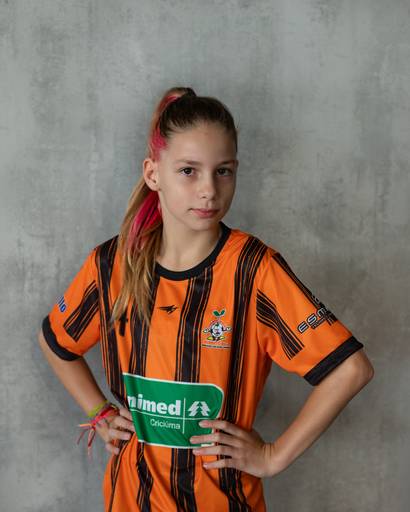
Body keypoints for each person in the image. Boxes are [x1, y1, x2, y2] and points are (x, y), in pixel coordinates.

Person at [38, 86, 374, 512]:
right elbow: (56, 342)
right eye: (188, 171)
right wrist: (99, 412)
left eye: (223, 171)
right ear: (153, 174)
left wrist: (272, 457)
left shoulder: (254, 270)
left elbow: (350, 369)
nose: (209, 190)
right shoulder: (111, 266)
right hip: (129, 501)